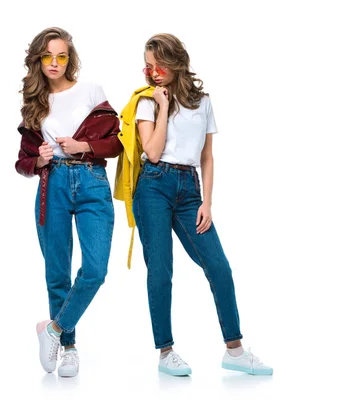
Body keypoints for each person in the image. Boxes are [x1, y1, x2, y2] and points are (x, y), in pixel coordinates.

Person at [124, 33, 273, 376]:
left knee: (219, 267)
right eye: (148, 67)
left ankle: (234, 351)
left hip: (190, 190)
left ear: (175, 63)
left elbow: (207, 157)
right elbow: (153, 152)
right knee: (161, 270)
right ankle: (165, 352)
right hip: (153, 187)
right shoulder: (147, 103)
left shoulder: (203, 102)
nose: (153, 73)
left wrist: (207, 201)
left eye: (158, 65)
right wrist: (161, 107)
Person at [15, 27, 122, 377]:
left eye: (61, 56)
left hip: (91, 182)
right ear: (38, 59)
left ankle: (54, 330)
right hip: (53, 184)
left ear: (69, 58)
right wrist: (41, 159)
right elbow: (22, 162)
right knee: (57, 274)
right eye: (48, 56)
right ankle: (70, 349)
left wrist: (84, 147)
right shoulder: (34, 102)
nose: (55, 62)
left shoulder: (91, 91)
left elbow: (117, 143)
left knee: (95, 270)